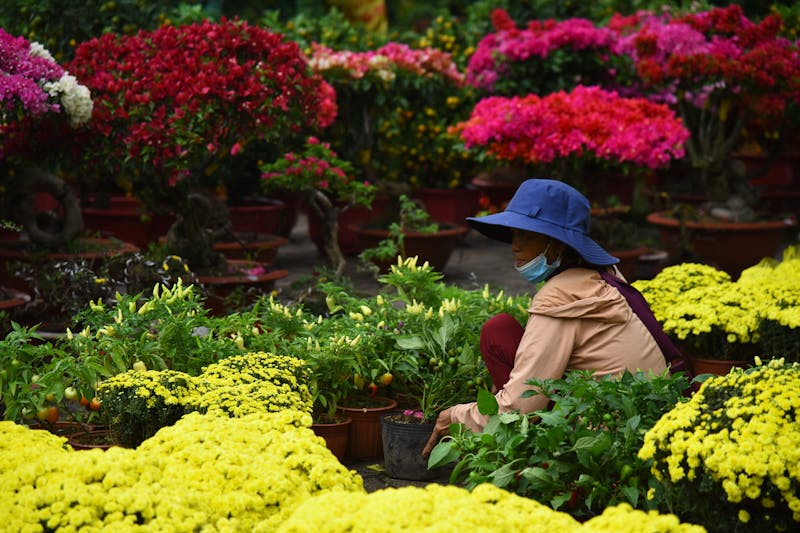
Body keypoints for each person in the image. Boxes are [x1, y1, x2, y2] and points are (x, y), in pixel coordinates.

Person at [422, 178, 669, 456]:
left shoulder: (561, 296)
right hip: (650, 415)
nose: (515, 245)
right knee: (500, 330)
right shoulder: (604, 274)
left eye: (527, 236)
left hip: (604, 437)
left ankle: (527, 459)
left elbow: (520, 405)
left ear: (558, 246)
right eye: (514, 234)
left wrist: (456, 416)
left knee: (500, 345)